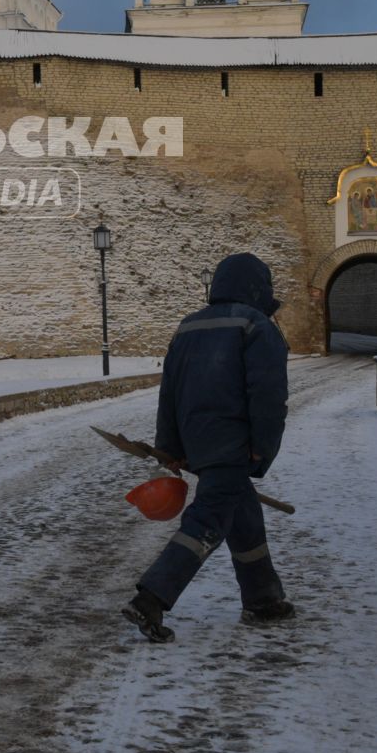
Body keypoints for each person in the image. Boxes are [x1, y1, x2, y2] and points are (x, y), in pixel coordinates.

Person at [122, 252, 293, 643]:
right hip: (235, 447)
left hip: (199, 445)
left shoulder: (188, 327)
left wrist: (171, 447)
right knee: (207, 521)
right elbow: (268, 396)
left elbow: (170, 392)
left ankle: (263, 599)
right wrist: (261, 450)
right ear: (259, 288)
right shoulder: (256, 326)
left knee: (243, 515)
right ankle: (151, 598)